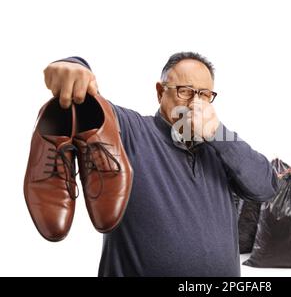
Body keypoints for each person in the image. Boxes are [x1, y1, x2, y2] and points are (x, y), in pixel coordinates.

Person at [43, 52, 277, 276]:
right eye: (185, 91)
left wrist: (217, 132)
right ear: (159, 92)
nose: (194, 104)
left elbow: (266, 186)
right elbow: (92, 104)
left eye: (204, 95)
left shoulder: (219, 146)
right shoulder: (134, 131)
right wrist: (75, 65)